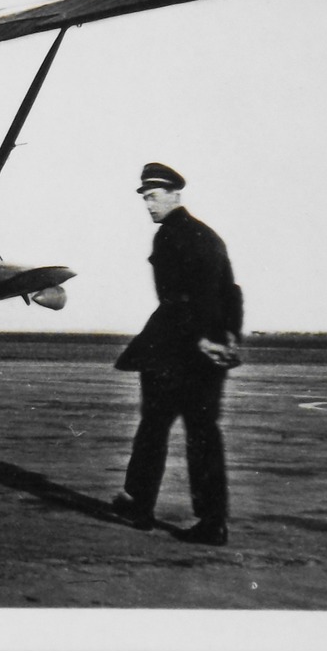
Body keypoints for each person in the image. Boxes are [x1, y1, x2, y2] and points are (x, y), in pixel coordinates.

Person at [112, 163, 242, 546]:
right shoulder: (208, 235)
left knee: (156, 428)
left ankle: (140, 505)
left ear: (175, 195)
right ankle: (211, 520)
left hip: (176, 349)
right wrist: (229, 335)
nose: (149, 205)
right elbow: (230, 291)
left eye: (154, 196)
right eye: (145, 198)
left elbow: (192, 295)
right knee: (200, 433)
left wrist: (201, 336)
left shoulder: (173, 235)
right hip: (205, 349)